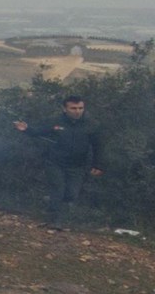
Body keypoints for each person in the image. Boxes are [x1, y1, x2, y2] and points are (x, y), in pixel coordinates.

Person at [14, 95, 104, 230]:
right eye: (73, 108)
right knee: (58, 189)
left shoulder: (92, 125)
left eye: (80, 108)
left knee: (71, 194)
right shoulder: (55, 121)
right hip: (55, 163)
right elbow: (39, 131)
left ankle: (62, 219)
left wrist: (97, 164)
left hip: (77, 165)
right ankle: (54, 221)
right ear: (64, 109)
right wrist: (26, 129)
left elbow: (98, 146)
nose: (77, 111)